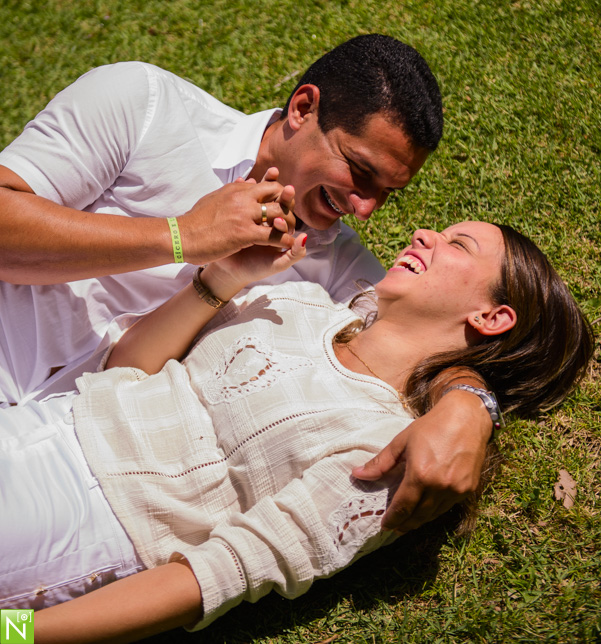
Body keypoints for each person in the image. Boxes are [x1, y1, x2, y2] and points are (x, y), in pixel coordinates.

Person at [0, 217, 593, 644]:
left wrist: (21, 633)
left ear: (491, 318)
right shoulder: (305, 303)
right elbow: (125, 372)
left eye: (457, 244)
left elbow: (216, 576)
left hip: (88, 517)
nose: (423, 236)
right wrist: (219, 281)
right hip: (49, 418)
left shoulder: (388, 449)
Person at [0, 33, 488, 531]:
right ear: (303, 107)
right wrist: (182, 236)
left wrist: (470, 407)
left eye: (386, 193)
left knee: (15, 614)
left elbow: (427, 344)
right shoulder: (143, 106)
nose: (365, 207)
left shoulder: (339, 272)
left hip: (71, 473)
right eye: (359, 171)